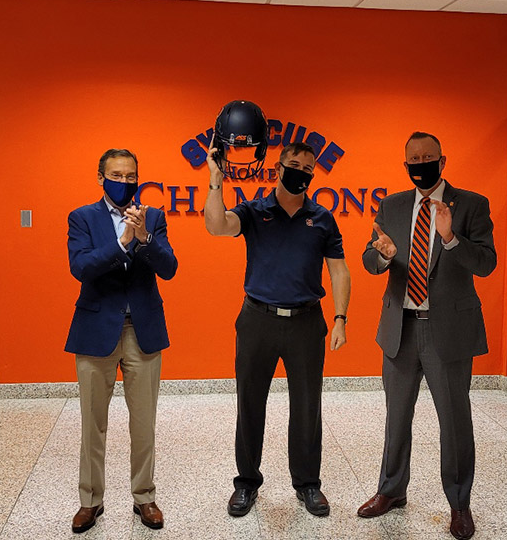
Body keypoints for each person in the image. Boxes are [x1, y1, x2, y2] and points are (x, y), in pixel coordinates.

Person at [358, 132, 496, 540]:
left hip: (447, 331)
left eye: (428, 157)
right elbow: (371, 259)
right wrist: (381, 254)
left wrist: (452, 238)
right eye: (413, 158)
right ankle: (391, 491)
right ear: (405, 165)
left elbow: (486, 263)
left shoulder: (471, 204)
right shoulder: (394, 205)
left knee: (454, 421)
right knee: (396, 417)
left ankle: (459, 503)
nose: (421, 163)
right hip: (399, 329)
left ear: (442, 160)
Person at [205, 141, 351, 518]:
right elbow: (217, 227)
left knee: (307, 407)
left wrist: (340, 318)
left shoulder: (322, 218)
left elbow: (339, 269)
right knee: (250, 404)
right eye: (293, 164)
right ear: (277, 168)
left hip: (306, 322)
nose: (300, 170)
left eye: (307, 166)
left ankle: (307, 484)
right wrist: (215, 182)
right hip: (257, 320)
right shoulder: (254, 211)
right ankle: (246, 483)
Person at [65, 149, 178, 533]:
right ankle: (90, 501)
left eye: (131, 176)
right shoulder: (82, 217)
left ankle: (144, 496)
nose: (125, 182)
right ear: (100, 177)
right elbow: (81, 267)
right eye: (116, 175)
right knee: (92, 423)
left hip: (142, 331)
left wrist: (144, 238)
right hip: (96, 331)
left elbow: (170, 268)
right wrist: (121, 242)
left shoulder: (155, 217)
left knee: (143, 422)